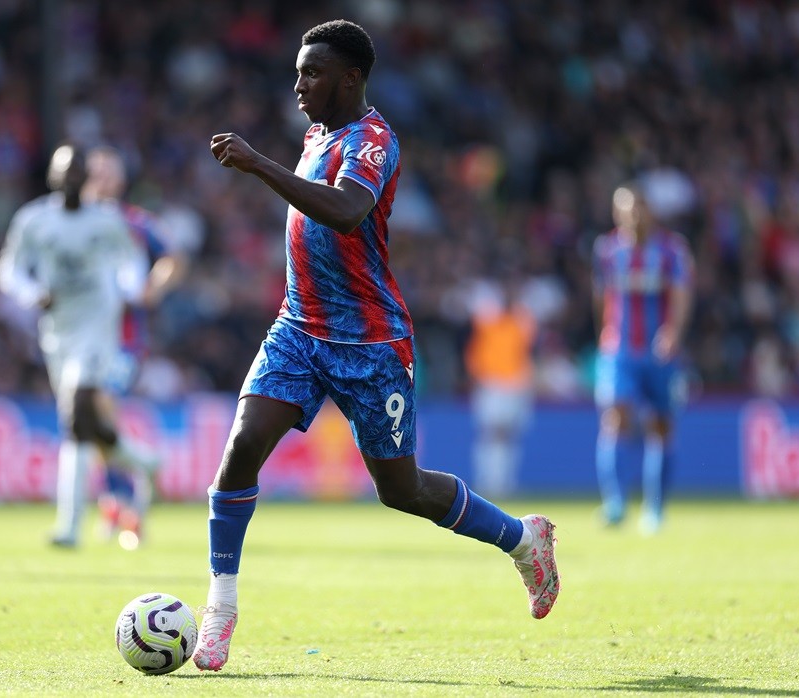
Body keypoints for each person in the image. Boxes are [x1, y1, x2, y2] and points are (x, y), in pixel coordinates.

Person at [191, 19, 560, 673]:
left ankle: (521, 539)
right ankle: (220, 607)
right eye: (299, 70)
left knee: (402, 489)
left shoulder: (373, 140)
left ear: (351, 77)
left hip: (371, 343)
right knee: (242, 448)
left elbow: (345, 211)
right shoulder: (317, 134)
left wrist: (256, 163)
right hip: (298, 330)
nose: (299, 83)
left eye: (313, 72)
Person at [0, 143, 161, 548]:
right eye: (64, 172)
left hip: (97, 327)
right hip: (57, 331)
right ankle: (143, 461)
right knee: (80, 422)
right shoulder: (33, 220)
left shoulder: (105, 221)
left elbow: (132, 262)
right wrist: (31, 293)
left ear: (84, 178)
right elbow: (9, 270)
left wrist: (129, 289)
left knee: (77, 409)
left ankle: (68, 527)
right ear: (52, 177)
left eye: (77, 172)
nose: (71, 179)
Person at [82, 145, 188, 549]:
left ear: (121, 180)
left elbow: (174, 259)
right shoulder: (72, 223)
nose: (102, 178)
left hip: (123, 339)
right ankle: (128, 484)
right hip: (79, 336)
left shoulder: (136, 223)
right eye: (96, 170)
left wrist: (153, 288)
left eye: (110, 171)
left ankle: (123, 498)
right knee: (89, 421)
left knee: (99, 403)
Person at [592, 182, 694, 534]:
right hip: (619, 350)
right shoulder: (606, 250)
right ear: (616, 212)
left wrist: (672, 333)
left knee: (660, 426)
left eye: (639, 207)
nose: (633, 214)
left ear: (650, 210)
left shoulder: (671, 250)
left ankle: (655, 507)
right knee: (615, 416)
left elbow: (681, 295)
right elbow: (601, 297)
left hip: (658, 352)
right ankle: (615, 503)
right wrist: (602, 334)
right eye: (626, 207)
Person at [464, 276, 536, 497]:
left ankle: (504, 482)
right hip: (492, 384)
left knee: (509, 436)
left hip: (516, 386)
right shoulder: (487, 320)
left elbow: (527, 344)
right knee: (491, 434)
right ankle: (489, 481)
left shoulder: (521, 321)